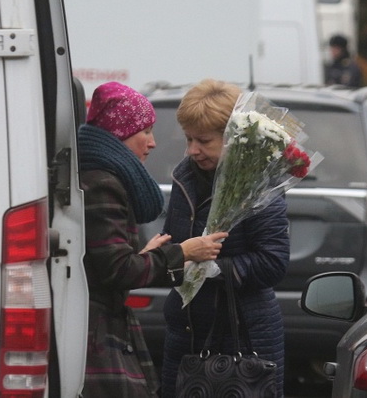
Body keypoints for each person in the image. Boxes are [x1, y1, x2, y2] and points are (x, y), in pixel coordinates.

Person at [77, 81, 228, 397]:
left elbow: (107, 263)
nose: (153, 143)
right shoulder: (103, 184)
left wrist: (143, 255)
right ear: (120, 135)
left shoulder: (101, 177)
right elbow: (116, 271)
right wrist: (183, 253)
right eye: (143, 132)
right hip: (98, 331)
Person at [160, 79, 290, 398]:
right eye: (188, 139)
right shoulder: (184, 177)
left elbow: (272, 263)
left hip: (243, 338)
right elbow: (175, 240)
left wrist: (214, 268)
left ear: (232, 137)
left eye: (203, 141)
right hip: (186, 332)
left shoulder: (257, 183)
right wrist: (169, 255)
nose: (193, 150)